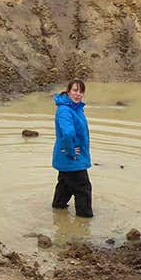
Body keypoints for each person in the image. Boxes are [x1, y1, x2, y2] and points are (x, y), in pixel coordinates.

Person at [51, 79, 93, 218]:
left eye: (81, 91)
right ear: (68, 91)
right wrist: (71, 151)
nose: (78, 94)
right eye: (75, 90)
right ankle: (84, 221)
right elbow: (68, 133)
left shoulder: (74, 108)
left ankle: (58, 209)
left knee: (65, 184)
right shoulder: (65, 110)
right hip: (72, 158)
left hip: (67, 158)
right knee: (83, 188)